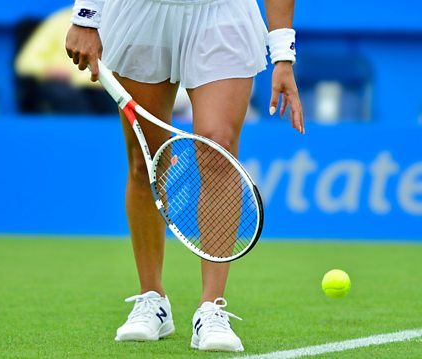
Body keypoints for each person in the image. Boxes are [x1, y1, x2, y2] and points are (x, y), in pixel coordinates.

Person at [66, 0, 304, 352]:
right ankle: (152, 299)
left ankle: (212, 308)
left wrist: (283, 54)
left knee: (218, 150)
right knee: (144, 157)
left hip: (222, 13)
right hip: (141, 13)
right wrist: (85, 16)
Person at [15, 7, 117, 114]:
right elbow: (26, 62)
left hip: (108, 90)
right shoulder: (58, 22)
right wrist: (49, 71)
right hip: (69, 88)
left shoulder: (118, 24)